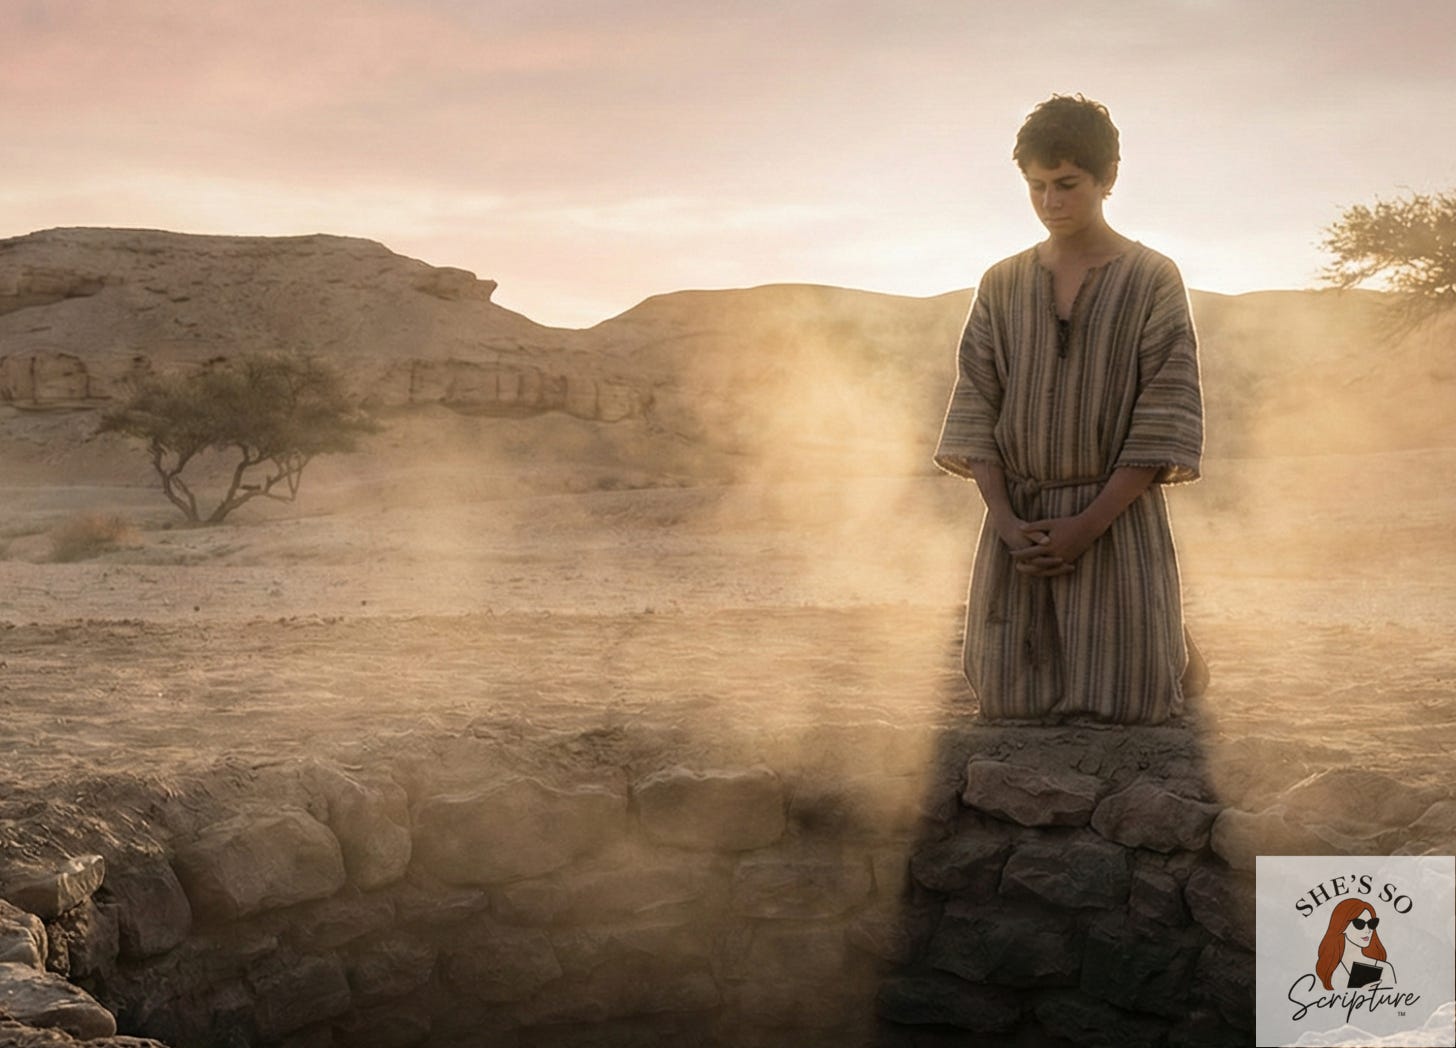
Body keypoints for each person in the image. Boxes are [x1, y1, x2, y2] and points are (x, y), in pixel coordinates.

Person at [934, 94, 1204, 724]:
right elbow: (976, 404)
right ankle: (1169, 645)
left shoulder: (1152, 278)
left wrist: (1087, 526)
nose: (1051, 203)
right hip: (1020, 526)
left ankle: (1171, 649)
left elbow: (1163, 417)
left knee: (1126, 704)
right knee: (1008, 702)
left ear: (1107, 179)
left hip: (1113, 521)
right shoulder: (1001, 284)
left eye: (1067, 184)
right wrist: (1003, 520)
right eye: (1036, 187)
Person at [1315, 899, 1396, 990]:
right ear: (1342, 926)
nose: (1368, 930)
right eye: (1360, 924)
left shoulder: (1384, 968)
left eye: (1372, 924)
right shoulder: (1330, 968)